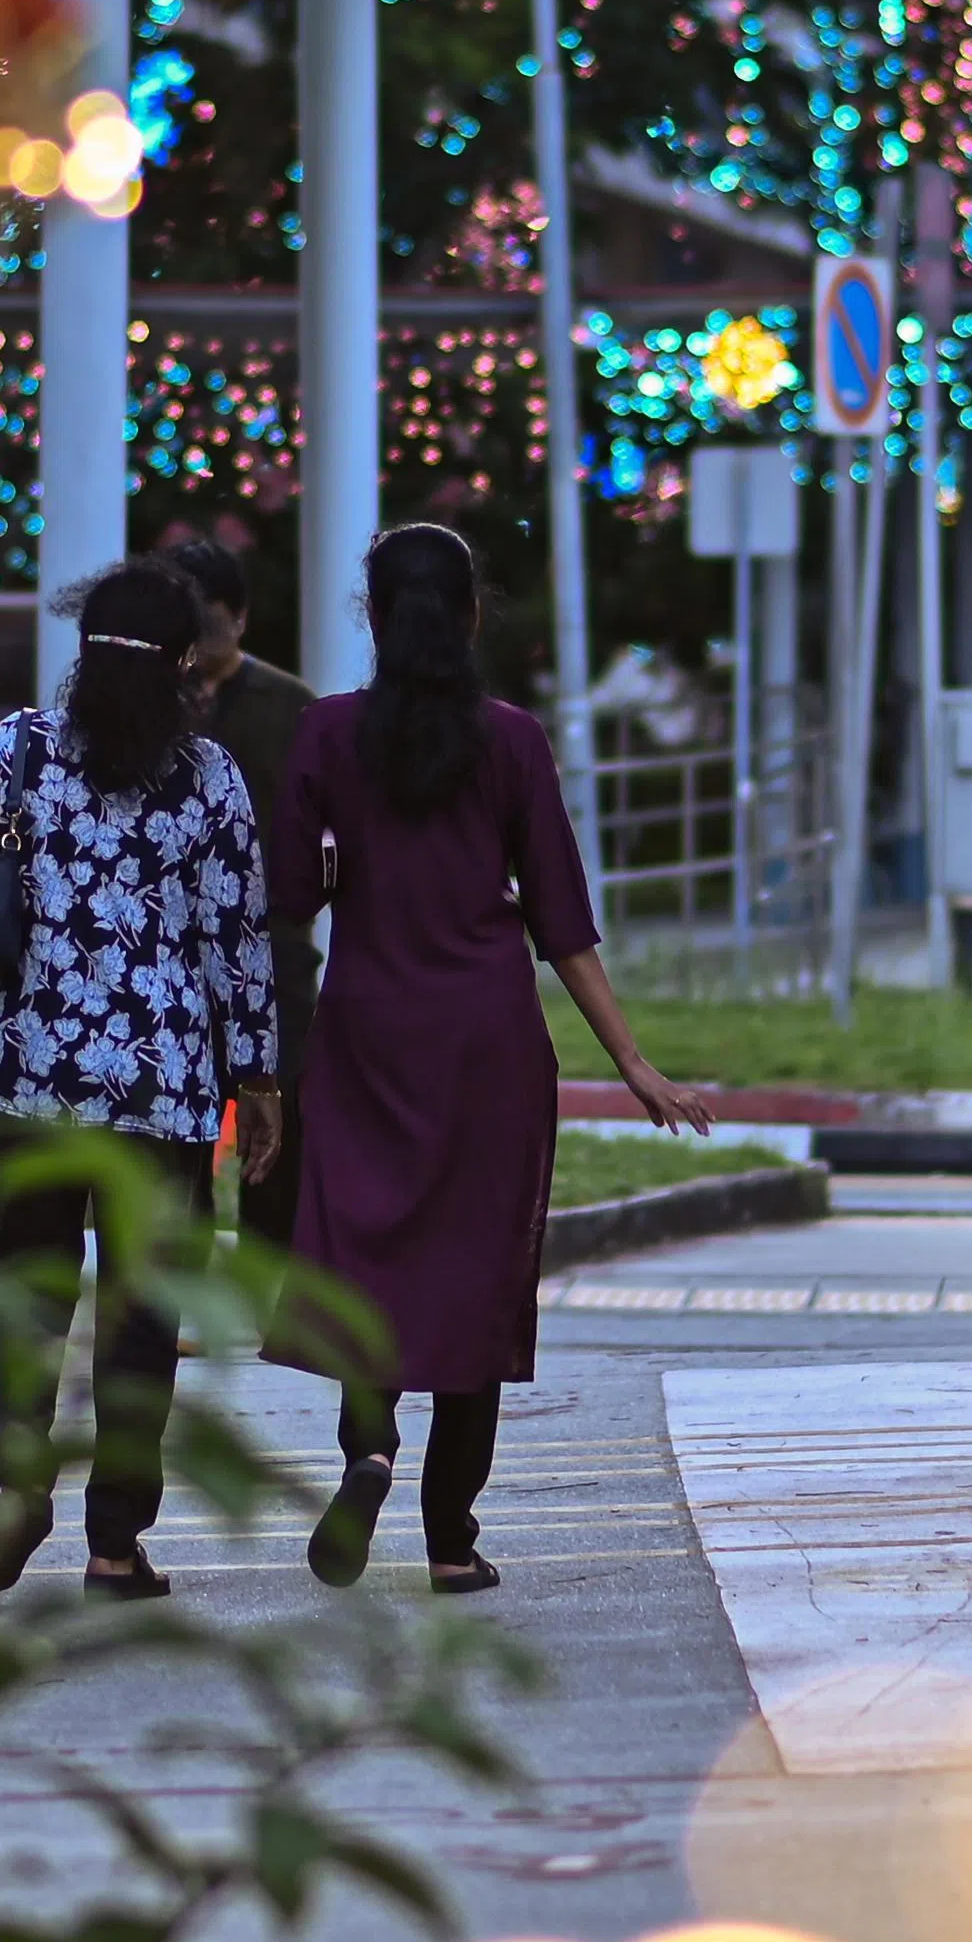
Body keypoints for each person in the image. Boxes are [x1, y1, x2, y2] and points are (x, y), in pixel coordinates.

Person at [264, 526, 717, 1591]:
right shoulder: (511, 740)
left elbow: (286, 896)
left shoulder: (324, 736)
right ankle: (453, 1538)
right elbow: (563, 921)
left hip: (368, 1031)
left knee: (368, 1257)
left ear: (371, 615)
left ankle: (367, 1452)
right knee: (478, 1275)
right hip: (487, 1040)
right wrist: (636, 1061)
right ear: (471, 614)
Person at [0, 555, 279, 1598]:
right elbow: (236, 940)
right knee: (143, 1313)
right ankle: (116, 1541)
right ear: (186, 661)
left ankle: (20, 1488)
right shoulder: (210, 775)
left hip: (32, 1076)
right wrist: (261, 1077)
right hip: (165, 1091)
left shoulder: (21, 749)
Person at [157, 529, 323, 1241]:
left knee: (279, 1107)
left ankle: (267, 1277)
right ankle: (180, 1278)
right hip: (169, 941)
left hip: (272, 940)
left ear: (241, 618)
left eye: (215, 617)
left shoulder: (290, 705)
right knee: (174, 1122)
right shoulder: (153, 700)